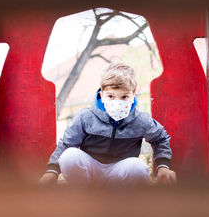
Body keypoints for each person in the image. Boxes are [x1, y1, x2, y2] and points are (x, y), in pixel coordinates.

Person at [38, 63, 176, 186]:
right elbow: (67, 144)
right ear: (102, 94)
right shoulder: (86, 116)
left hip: (120, 171)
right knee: (69, 156)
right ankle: (84, 196)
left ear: (133, 94)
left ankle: (121, 202)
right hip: (91, 169)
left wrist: (163, 166)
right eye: (111, 96)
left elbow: (160, 138)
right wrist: (52, 171)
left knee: (138, 167)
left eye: (124, 97)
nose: (117, 102)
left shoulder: (141, 120)